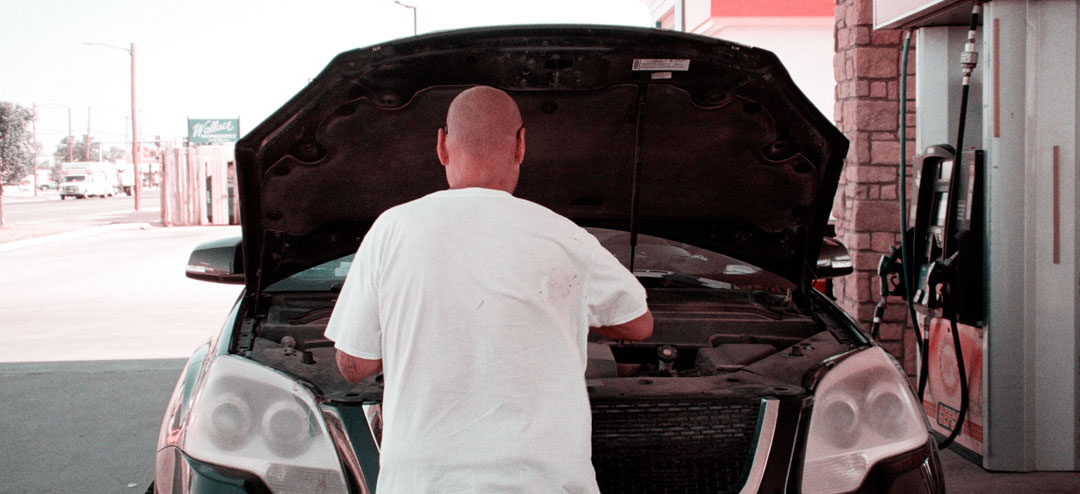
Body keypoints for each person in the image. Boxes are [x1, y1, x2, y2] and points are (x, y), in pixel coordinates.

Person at [324, 86, 653, 494]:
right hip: (545, 483)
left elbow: (353, 364)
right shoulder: (564, 234)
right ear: (521, 145)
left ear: (442, 145)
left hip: (425, 482)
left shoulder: (393, 229)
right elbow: (638, 326)